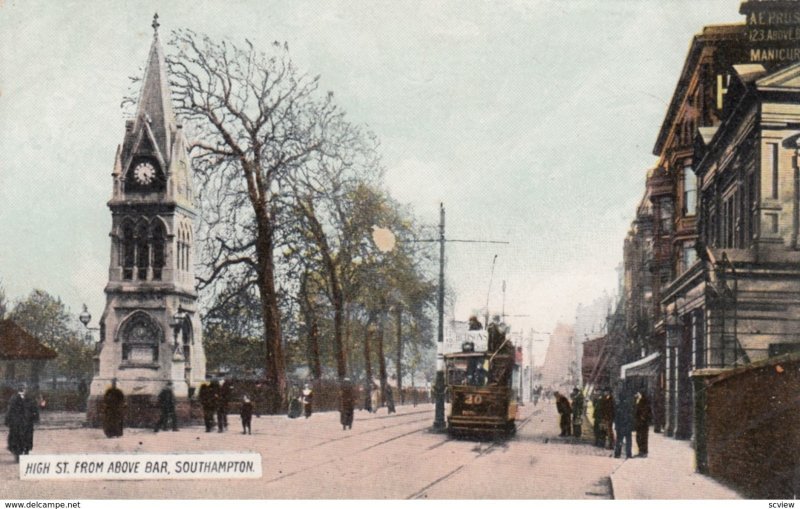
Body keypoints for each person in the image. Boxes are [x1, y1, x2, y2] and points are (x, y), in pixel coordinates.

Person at [5, 383, 39, 463]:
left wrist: (35, 417)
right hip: (17, 423)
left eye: (24, 388)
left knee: (27, 438)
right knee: (17, 439)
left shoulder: (29, 398)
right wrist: (8, 420)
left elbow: (34, 408)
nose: (23, 389)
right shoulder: (14, 399)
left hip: (27, 422)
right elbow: (10, 410)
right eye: (21, 388)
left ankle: (26, 452)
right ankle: (18, 455)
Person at [614, 389, 634, 459]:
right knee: (628, 441)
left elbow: (616, 417)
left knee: (619, 440)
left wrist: (616, 426)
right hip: (627, 426)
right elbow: (631, 417)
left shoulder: (618, 406)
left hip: (620, 426)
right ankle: (629, 454)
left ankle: (617, 454)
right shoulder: (629, 406)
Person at [635, 391, 653, 457]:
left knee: (643, 438)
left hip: (643, 423)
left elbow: (646, 411)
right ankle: (640, 451)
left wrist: (643, 418)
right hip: (638, 423)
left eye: (637, 393)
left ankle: (644, 452)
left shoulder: (644, 401)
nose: (636, 394)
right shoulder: (637, 400)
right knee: (638, 437)